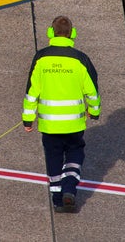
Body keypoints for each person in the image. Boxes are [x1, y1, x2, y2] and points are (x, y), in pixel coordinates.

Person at [22, 16, 100, 213]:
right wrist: (94, 111)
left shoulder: (41, 58)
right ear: (72, 34)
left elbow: (32, 92)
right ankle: (69, 190)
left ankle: (57, 199)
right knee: (75, 152)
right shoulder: (81, 60)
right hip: (74, 124)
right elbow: (92, 91)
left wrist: (28, 119)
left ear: (50, 33)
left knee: (53, 157)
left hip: (49, 125)